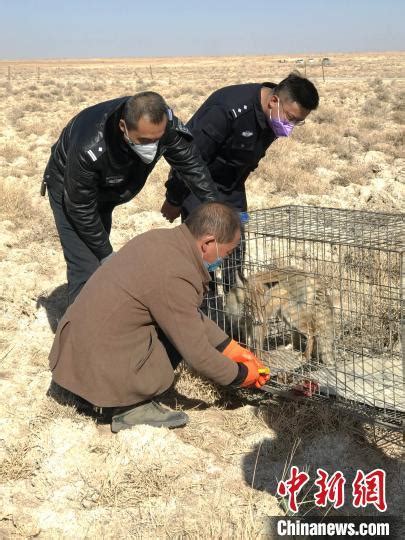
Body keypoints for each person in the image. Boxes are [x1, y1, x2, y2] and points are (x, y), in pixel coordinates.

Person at [48, 202, 270, 433]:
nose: (225, 259)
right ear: (208, 244)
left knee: (173, 328)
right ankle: (129, 408)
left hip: (75, 358)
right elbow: (198, 355)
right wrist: (242, 375)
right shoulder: (177, 273)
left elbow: (187, 314)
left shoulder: (162, 241)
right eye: (228, 252)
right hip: (99, 369)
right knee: (174, 342)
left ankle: (99, 390)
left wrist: (230, 348)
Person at [42, 91, 220, 305]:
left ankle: (104, 314)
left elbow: (192, 166)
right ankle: (78, 332)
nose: (152, 147)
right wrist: (105, 252)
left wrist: (216, 209)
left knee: (99, 263)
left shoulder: (166, 127)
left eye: (157, 139)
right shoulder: (90, 147)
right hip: (70, 191)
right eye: (144, 140)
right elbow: (80, 206)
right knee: (87, 266)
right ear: (123, 127)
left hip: (108, 190)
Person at [161, 72, 319, 222]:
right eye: (290, 118)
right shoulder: (228, 110)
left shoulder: (273, 117)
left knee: (235, 243)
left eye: (298, 121)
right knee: (206, 244)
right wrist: (174, 199)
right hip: (198, 185)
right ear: (274, 101)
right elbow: (189, 157)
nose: (290, 126)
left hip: (232, 186)